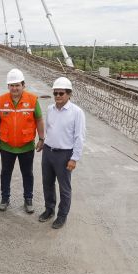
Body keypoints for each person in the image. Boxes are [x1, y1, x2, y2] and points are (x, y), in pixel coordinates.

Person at [0, 68, 45, 213]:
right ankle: (5, 199)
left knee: (27, 173)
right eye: (12, 85)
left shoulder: (32, 100)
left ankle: (28, 199)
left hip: (26, 146)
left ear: (23, 85)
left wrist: (41, 138)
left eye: (17, 85)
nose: (15, 88)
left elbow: (39, 120)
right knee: (5, 173)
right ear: (8, 86)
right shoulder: (1, 100)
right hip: (6, 146)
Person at [39, 77, 86, 229]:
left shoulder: (76, 112)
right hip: (48, 152)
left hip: (64, 154)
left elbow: (79, 137)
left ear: (69, 94)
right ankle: (49, 209)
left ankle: (62, 216)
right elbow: (49, 129)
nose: (58, 96)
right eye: (56, 93)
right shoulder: (50, 109)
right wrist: (42, 142)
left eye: (61, 93)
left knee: (64, 187)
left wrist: (74, 158)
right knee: (47, 183)